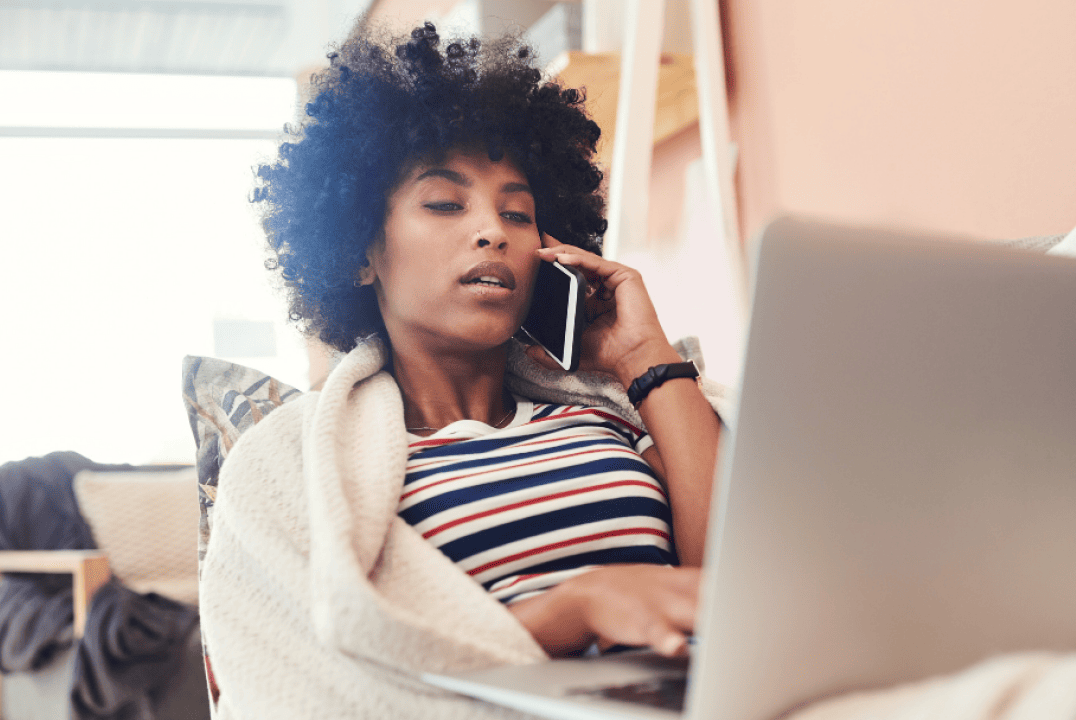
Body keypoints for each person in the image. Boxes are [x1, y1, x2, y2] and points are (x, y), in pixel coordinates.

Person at [198, 21, 727, 717]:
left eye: (518, 212)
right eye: (446, 203)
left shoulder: (604, 417)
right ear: (361, 253)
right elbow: (327, 687)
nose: (492, 230)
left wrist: (645, 359)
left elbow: (742, 591)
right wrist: (577, 609)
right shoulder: (301, 465)